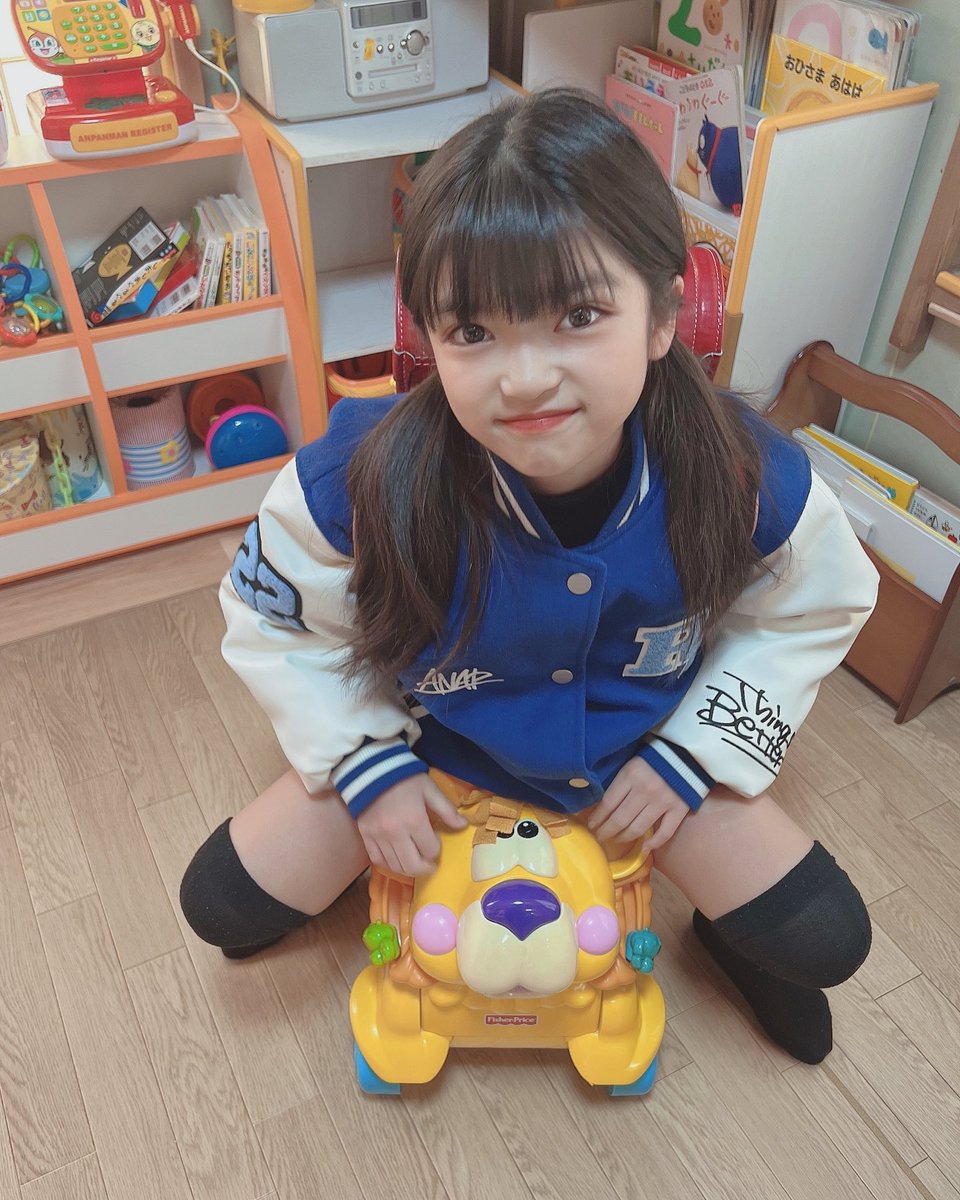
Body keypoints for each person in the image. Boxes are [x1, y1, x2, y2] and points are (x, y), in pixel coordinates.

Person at [180, 88, 878, 1065]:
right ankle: (359, 862)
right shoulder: (358, 476)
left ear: (662, 314)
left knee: (825, 939)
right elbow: (283, 626)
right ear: (430, 336)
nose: (523, 378)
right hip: (438, 744)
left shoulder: (743, 472)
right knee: (218, 905)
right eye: (473, 333)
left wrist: (691, 755)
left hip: (637, 755)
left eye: (579, 316)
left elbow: (807, 613)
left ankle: (730, 933)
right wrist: (366, 764)